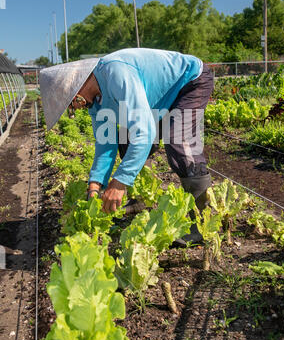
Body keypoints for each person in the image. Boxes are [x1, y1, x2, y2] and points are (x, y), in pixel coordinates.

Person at [40, 48, 214, 245]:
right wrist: (95, 184)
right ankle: (141, 200)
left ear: (75, 89)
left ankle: (201, 221)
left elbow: (144, 132)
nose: (76, 108)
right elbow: (105, 145)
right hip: (160, 97)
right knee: (126, 140)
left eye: (71, 104)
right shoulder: (95, 104)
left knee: (178, 141)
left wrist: (119, 182)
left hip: (189, 81)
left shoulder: (116, 73)